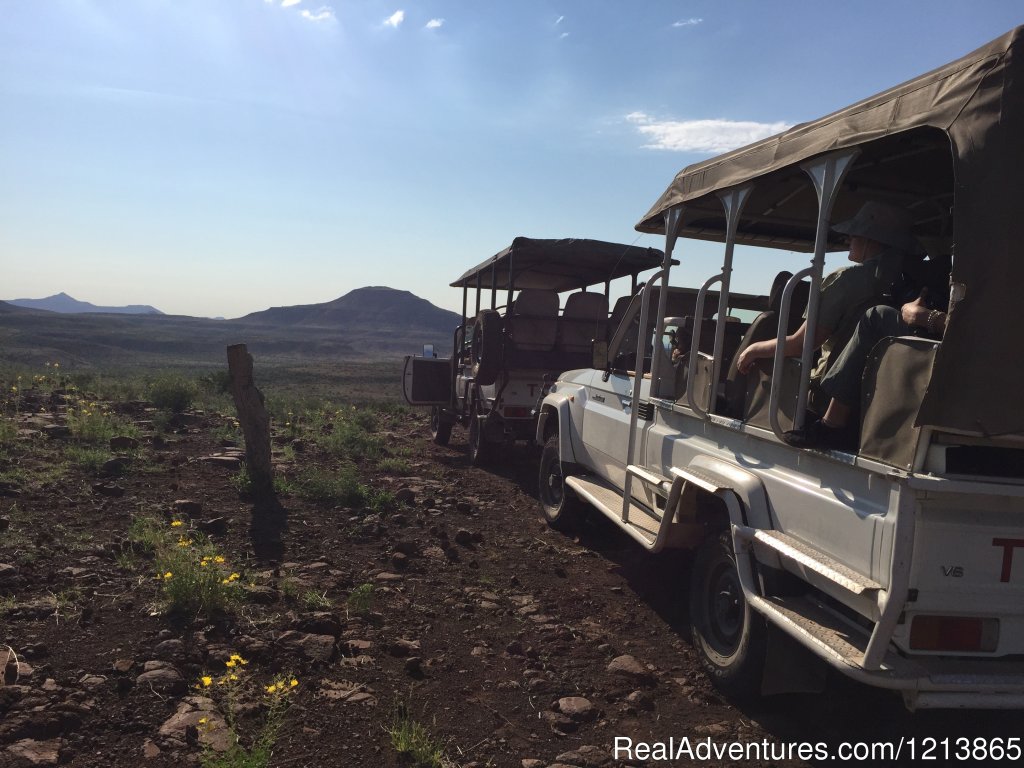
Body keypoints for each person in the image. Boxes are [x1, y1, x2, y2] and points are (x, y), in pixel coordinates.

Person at [735, 200, 920, 425]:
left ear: (871, 239)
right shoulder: (912, 284)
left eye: (855, 234)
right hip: (884, 394)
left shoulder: (846, 279)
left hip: (828, 392)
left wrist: (753, 349)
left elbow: (802, 344)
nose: (849, 239)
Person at [785, 286, 948, 448]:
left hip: (953, 357)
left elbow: (969, 330)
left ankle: (833, 424)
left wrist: (928, 317)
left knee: (877, 316)